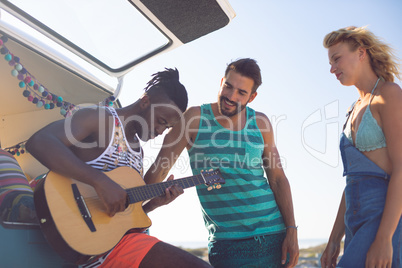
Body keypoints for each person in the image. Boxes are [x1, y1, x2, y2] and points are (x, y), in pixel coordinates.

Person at [26, 68, 212, 268]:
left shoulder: (138, 154)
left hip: (104, 248)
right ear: (145, 101)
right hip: (80, 239)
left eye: (166, 128)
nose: (160, 131)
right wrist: (100, 181)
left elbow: (120, 217)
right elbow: (40, 141)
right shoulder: (100, 119)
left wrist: (153, 205)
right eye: (161, 121)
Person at [144, 58, 299, 267]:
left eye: (241, 93)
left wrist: (291, 230)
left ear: (252, 97)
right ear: (221, 82)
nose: (231, 96)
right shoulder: (194, 119)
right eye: (228, 86)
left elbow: (278, 180)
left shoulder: (261, 123)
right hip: (228, 245)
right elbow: (155, 177)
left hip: (274, 236)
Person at [321, 26, 402, 268]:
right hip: (354, 221)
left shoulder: (388, 94)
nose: (332, 68)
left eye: (336, 58)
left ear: (361, 53)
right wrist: (334, 239)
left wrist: (385, 238)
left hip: (383, 220)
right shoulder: (352, 109)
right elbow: (352, 181)